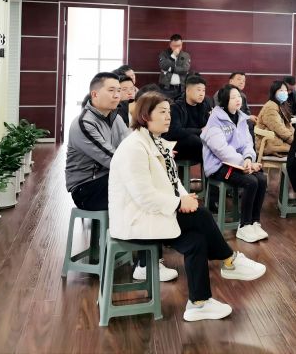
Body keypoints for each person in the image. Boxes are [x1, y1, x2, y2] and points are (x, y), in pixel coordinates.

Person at [108, 91, 266, 322]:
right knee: (201, 214)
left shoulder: (155, 141)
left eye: (169, 112)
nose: (168, 117)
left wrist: (184, 198)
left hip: (155, 213)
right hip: (137, 219)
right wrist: (179, 202)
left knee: (196, 241)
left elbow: (174, 181)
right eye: (162, 112)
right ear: (144, 116)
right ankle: (230, 260)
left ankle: (199, 304)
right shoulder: (134, 147)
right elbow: (143, 196)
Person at [202, 85, 268, 243]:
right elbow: (221, 150)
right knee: (251, 182)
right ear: (224, 101)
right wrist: (244, 163)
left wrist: (248, 159)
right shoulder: (215, 120)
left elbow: (247, 143)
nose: (238, 100)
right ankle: (244, 226)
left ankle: (254, 222)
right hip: (218, 166)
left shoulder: (242, 118)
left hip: (238, 163)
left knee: (262, 179)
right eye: (233, 97)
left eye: (238, 96)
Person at [65, 72, 129, 212]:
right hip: (86, 189)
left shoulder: (116, 118)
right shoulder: (84, 123)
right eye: (111, 90)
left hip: (108, 177)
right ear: (94, 94)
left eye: (119, 90)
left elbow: (130, 146)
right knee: (139, 189)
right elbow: (113, 160)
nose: (117, 95)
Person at [165, 74, 213, 165]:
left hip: (197, 145)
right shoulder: (175, 107)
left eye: (203, 90)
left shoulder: (204, 105)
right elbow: (175, 131)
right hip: (178, 145)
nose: (202, 93)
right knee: (193, 140)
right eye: (198, 90)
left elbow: (208, 128)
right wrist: (200, 131)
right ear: (188, 90)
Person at [255, 80, 294, 157]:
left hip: (277, 142)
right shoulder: (271, 107)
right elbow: (279, 128)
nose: (284, 93)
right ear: (274, 92)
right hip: (269, 145)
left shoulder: (280, 105)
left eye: (286, 90)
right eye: (281, 90)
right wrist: (294, 140)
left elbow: (287, 126)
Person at [159, 34, 192, 99]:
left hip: (181, 88)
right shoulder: (164, 54)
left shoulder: (186, 55)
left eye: (179, 45)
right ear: (170, 45)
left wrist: (170, 69)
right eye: (174, 46)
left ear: (182, 44)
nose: (177, 48)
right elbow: (163, 66)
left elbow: (185, 70)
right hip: (166, 88)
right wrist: (173, 56)